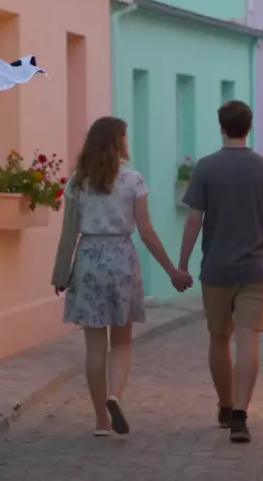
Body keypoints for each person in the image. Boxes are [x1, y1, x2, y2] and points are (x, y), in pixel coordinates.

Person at [51, 116, 193, 437]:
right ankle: (115, 394)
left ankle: (101, 420)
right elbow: (147, 233)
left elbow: (68, 232)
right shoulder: (133, 181)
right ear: (119, 142)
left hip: (88, 258)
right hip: (121, 261)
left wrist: (61, 274)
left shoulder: (77, 182)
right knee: (123, 342)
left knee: (95, 347)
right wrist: (172, 271)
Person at [179, 99, 263, 444]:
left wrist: (182, 263)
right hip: (256, 268)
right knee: (247, 339)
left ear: (221, 127)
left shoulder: (205, 168)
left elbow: (194, 220)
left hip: (216, 268)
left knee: (218, 338)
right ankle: (241, 412)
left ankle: (225, 406)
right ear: (249, 127)